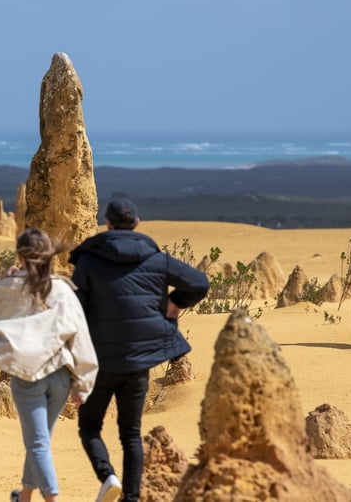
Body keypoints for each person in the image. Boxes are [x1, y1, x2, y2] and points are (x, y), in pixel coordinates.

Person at [69, 198, 209, 502]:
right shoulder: (157, 260)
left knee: (90, 427)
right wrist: (177, 302)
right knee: (130, 434)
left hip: (101, 360)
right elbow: (199, 282)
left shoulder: (90, 260)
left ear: (107, 224)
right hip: (139, 360)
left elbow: (77, 308)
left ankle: (108, 477)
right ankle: (131, 498)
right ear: (138, 223)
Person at [0, 227, 99, 502]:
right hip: (61, 377)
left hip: (28, 378)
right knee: (40, 441)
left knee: (37, 443)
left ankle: (52, 499)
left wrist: (4, 284)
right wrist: (84, 386)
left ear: (21, 256)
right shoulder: (63, 290)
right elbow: (81, 338)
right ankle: (25, 495)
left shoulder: (13, 286)